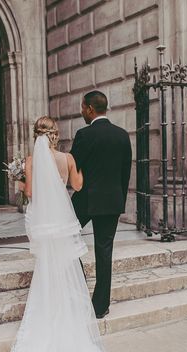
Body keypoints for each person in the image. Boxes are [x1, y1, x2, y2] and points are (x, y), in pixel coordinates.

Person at [0, 117, 181, 352]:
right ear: (56, 136)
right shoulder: (68, 159)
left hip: (44, 226)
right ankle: (71, 315)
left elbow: (28, 193)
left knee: (47, 271)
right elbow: (79, 186)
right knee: (68, 266)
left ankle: (49, 315)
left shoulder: (29, 161)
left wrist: (21, 181)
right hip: (62, 223)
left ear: (36, 136)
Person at [70, 91, 132, 319]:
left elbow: (73, 168)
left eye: (82, 107)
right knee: (104, 252)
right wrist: (119, 200)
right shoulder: (122, 135)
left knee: (64, 237)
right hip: (113, 201)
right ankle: (100, 306)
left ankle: (76, 288)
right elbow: (125, 174)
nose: (81, 111)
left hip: (86, 200)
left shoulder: (84, 134)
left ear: (89, 109)